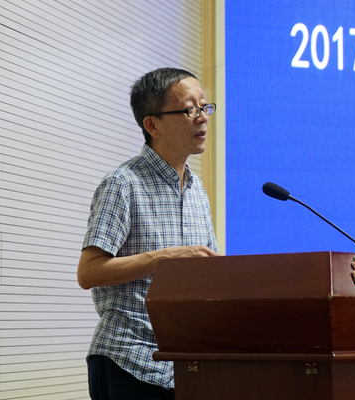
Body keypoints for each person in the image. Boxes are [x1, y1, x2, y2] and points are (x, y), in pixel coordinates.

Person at [77, 67, 220, 400]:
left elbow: (208, 268)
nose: (202, 117)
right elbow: (89, 272)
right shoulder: (123, 184)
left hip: (181, 365)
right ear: (152, 125)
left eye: (204, 107)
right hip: (128, 361)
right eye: (190, 109)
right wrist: (164, 258)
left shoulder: (197, 190)